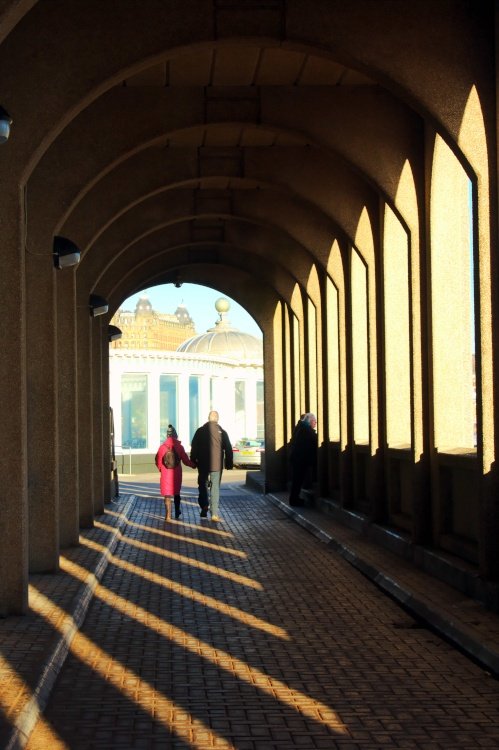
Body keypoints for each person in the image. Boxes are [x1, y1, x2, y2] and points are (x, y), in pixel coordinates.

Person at [190, 410, 233, 521]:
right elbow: (228, 448)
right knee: (215, 487)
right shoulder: (222, 432)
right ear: (217, 419)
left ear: (208, 418)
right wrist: (229, 463)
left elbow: (194, 446)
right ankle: (214, 513)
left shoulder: (200, 431)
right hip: (217, 464)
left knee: (202, 485)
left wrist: (193, 460)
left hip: (203, 464)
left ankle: (204, 505)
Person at [155, 424, 196, 520]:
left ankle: (168, 515)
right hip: (176, 474)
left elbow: (158, 460)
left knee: (167, 494)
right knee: (176, 493)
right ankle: (177, 511)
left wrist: (161, 468)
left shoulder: (162, 447)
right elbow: (186, 461)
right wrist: (194, 465)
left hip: (165, 474)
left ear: (167, 436)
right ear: (176, 435)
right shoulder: (180, 447)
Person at [288, 412, 318, 507]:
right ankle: (294, 500)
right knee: (297, 480)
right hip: (300, 460)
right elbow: (313, 440)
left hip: (297, 458)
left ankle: (294, 499)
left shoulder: (301, 428)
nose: (315, 423)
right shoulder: (306, 430)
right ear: (310, 421)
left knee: (297, 480)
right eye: (315, 421)